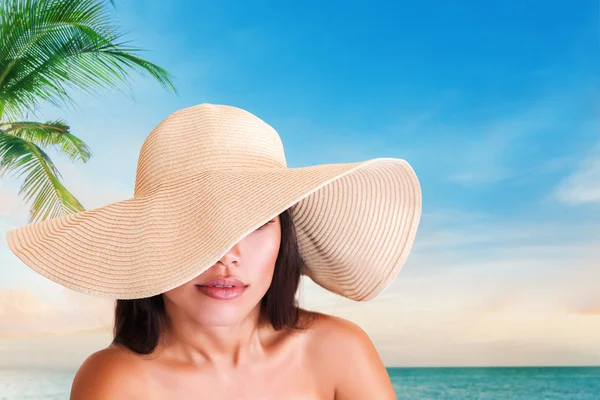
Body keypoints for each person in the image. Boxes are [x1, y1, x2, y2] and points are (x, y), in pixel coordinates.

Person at [6, 103, 422, 399]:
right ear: (148, 238)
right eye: (196, 222)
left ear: (284, 239)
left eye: (256, 221)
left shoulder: (337, 350)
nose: (228, 254)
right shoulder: (115, 382)